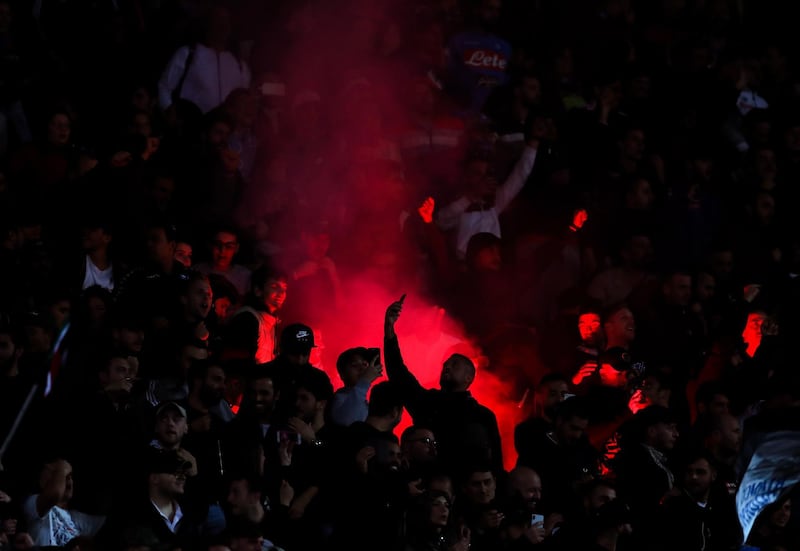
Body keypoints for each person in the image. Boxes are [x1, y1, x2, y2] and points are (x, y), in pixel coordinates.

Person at [383, 296, 503, 474]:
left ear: (469, 377)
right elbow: (399, 374)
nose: (447, 366)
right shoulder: (428, 402)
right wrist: (389, 330)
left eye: (455, 364)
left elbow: (496, 463)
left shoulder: (483, 416)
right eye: (446, 364)